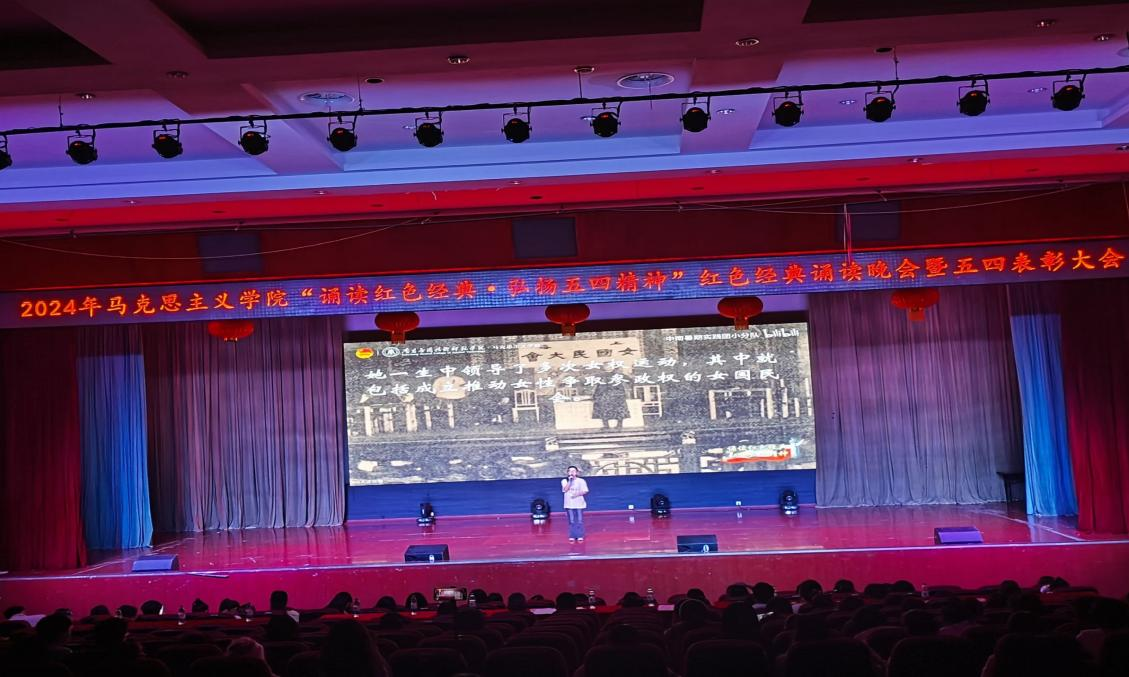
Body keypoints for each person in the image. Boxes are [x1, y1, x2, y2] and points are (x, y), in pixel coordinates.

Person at [561, 465, 589, 543]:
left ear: (576, 472)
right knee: (571, 521)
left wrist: (576, 495)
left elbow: (585, 491)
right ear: (567, 472)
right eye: (570, 471)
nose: (572, 472)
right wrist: (570, 481)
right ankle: (572, 536)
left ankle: (580, 535)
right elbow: (565, 490)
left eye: (573, 471)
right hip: (569, 504)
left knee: (579, 520)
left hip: (579, 504)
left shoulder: (581, 481)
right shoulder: (564, 481)